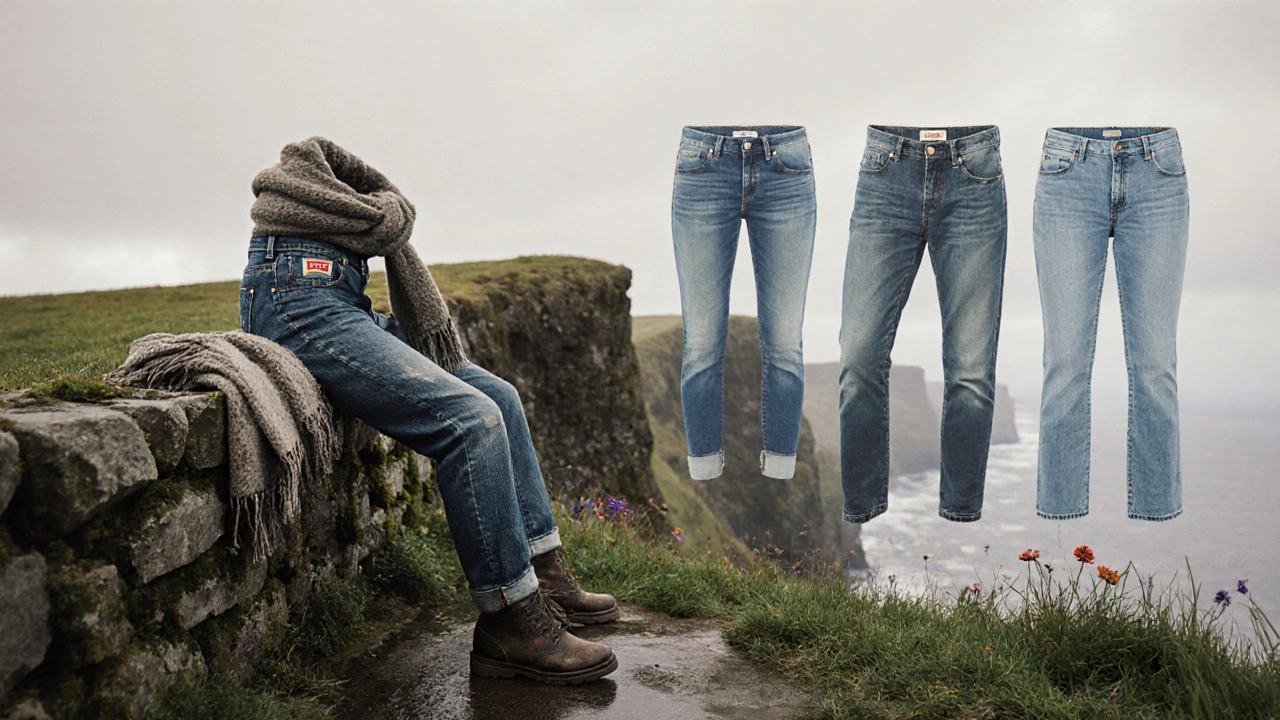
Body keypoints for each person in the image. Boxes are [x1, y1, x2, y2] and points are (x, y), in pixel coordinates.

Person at [241, 136, 619, 684]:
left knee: (500, 397)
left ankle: (546, 576)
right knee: (471, 421)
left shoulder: (353, 206)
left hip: (345, 298)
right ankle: (510, 619)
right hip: (297, 300)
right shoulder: (296, 200)